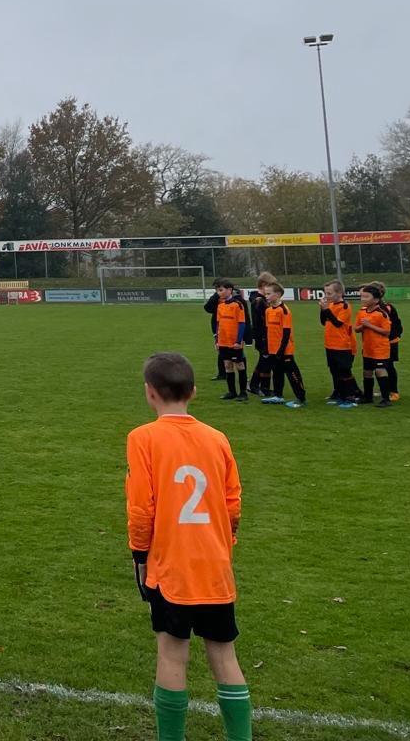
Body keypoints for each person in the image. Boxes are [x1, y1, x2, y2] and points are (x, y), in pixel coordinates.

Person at [125, 352, 252, 741]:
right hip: (214, 566)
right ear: (194, 392)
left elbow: (141, 508)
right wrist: (223, 545)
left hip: (171, 567)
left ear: (149, 393)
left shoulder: (143, 438)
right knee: (224, 654)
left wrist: (140, 556)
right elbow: (233, 502)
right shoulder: (217, 438)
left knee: (171, 653)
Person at [258, 282, 305, 408]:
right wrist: (267, 348)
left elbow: (286, 332)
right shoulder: (268, 311)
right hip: (273, 350)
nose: (266, 296)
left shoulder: (284, 310)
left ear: (278, 294)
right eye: (265, 294)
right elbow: (268, 330)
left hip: (284, 350)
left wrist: (281, 350)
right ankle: (278, 396)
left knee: (292, 374)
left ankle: (301, 398)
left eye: (268, 294)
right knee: (277, 373)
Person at [319, 280, 361, 407]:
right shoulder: (330, 305)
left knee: (344, 371)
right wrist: (322, 310)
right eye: (325, 293)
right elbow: (323, 321)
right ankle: (339, 393)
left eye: (329, 293)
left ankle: (351, 396)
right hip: (330, 344)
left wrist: (326, 310)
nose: (326, 296)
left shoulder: (345, 306)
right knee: (334, 370)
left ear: (339, 293)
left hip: (343, 344)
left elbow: (337, 323)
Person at [354, 284, 396, 407]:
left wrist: (369, 325)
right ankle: (368, 396)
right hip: (367, 348)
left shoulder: (381, 313)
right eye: (362, 296)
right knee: (367, 372)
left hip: (380, 348)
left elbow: (387, 332)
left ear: (376, 300)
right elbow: (357, 329)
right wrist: (363, 326)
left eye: (366, 297)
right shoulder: (361, 312)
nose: (363, 299)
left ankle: (386, 398)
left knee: (380, 371)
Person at [214, 281, 250, 402]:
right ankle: (232, 392)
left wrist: (238, 341)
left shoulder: (238, 305)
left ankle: (243, 392)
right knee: (227, 366)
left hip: (234, 342)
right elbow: (218, 324)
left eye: (221, 290)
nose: (219, 293)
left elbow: (242, 324)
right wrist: (217, 340)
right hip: (223, 342)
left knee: (240, 366)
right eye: (218, 290)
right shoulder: (220, 305)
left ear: (229, 290)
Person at [244, 274, 274, 397]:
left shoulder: (260, 299)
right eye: (270, 285)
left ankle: (256, 385)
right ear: (263, 285)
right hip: (262, 335)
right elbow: (261, 320)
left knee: (265, 360)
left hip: (264, 334)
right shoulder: (259, 300)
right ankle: (260, 386)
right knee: (265, 360)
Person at [203, 280, 238, 382]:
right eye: (216, 289)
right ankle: (223, 373)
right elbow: (207, 308)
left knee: (235, 350)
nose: (218, 291)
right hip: (219, 325)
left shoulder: (235, 298)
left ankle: (240, 371)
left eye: (219, 289)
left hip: (233, 326)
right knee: (221, 348)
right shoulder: (217, 297)